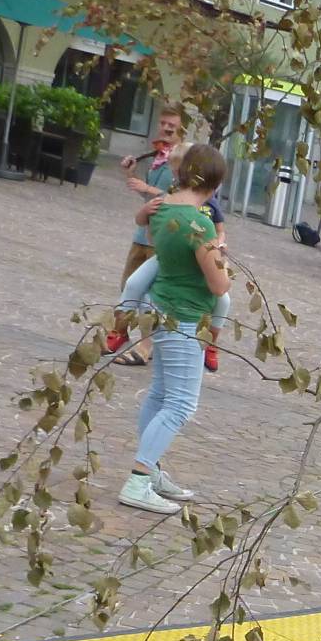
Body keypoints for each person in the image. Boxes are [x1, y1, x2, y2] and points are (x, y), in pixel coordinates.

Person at [117, 145, 233, 515]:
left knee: (160, 393)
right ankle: (138, 479)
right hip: (184, 316)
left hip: (161, 306)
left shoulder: (163, 207)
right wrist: (220, 257)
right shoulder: (198, 224)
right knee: (181, 403)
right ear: (213, 183)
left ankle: (150, 472)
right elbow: (219, 286)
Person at [115, 147, 234, 375]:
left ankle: (211, 342)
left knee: (223, 302)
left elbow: (217, 230)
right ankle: (121, 326)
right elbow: (219, 285)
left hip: (172, 284)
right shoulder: (176, 208)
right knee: (180, 402)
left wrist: (216, 244)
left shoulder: (186, 207)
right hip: (184, 311)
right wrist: (222, 263)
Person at [109, 106, 184, 365]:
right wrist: (132, 176)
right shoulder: (157, 157)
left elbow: (180, 199)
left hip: (162, 237)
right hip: (142, 234)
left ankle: (145, 346)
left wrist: (147, 187)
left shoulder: (182, 161)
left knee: (150, 293)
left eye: (172, 125)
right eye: (163, 123)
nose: (166, 128)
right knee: (128, 285)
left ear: (182, 129)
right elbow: (150, 197)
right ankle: (120, 332)